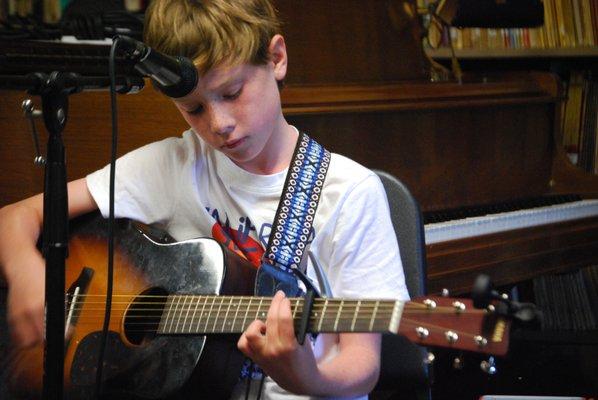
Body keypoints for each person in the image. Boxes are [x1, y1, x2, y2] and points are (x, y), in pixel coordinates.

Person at [0, 0, 409, 398]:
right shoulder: (175, 165)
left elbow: (362, 365)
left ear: (277, 58)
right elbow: (13, 218)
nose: (219, 125)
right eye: (193, 108)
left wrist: (308, 377)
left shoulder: (350, 193)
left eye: (232, 93)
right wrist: (24, 270)